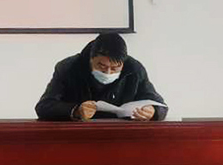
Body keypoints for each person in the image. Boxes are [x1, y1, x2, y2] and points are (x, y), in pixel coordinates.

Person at [35, 33, 167, 121]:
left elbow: (159, 104)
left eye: (115, 68)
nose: (108, 72)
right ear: (91, 58)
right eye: (102, 66)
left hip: (122, 136)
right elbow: (44, 107)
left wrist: (153, 111)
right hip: (78, 135)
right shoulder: (68, 67)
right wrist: (75, 111)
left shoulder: (134, 69)